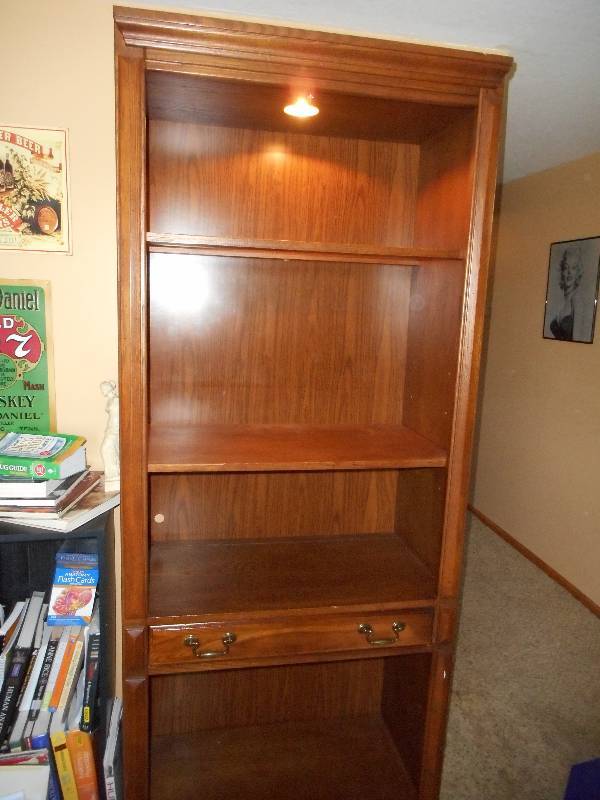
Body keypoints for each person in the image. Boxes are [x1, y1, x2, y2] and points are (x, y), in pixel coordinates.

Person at [549, 245, 585, 341]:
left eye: (573, 268)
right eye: (566, 268)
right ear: (562, 271)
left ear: (578, 272)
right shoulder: (561, 298)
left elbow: (577, 341)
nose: (569, 272)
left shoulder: (576, 299)